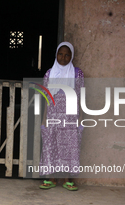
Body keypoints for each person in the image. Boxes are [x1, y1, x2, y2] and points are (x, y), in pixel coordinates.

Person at [39, 42, 84, 190]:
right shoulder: (49, 73)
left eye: (67, 55)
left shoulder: (77, 74)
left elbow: (80, 96)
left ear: (71, 56)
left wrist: (81, 118)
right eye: (60, 54)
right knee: (50, 144)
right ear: (56, 55)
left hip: (71, 116)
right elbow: (46, 97)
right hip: (53, 115)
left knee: (70, 146)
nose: (63, 57)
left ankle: (67, 179)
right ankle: (51, 178)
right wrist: (45, 118)